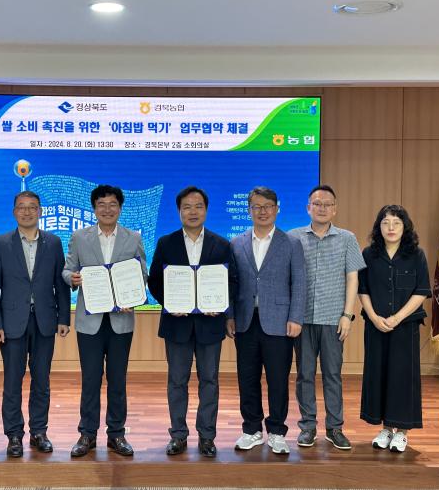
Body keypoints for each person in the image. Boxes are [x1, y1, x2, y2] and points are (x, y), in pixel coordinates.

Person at [148, 186, 237, 458]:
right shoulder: (166, 243)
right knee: (177, 381)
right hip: (177, 325)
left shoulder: (222, 244)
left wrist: (220, 305)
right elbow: (155, 281)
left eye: (198, 206)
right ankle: (178, 435)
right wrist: (170, 303)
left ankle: (207, 437)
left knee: (210, 381)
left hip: (210, 324)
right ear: (179, 211)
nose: (193, 212)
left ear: (206, 210)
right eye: (187, 207)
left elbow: (232, 281)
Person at [62, 184, 147, 457]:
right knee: (90, 379)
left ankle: (116, 434)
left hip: (122, 321)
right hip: (90, 321)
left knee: (117, 380)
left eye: (112, 204)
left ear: (120, 208)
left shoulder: (133, 237)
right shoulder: (79, 237)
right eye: (102, 204)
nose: (107, 209)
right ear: (94, 208)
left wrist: (133, 294)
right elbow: (67, 269)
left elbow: (142, 273)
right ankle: (87, 434)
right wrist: (72, 279)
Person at [0, 191, 70, 458]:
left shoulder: (53, 242)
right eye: (21, 207)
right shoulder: (0, 243)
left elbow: (60, 284)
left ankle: (39, 432)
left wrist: (64, 318)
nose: (27, 211)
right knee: (12, 381)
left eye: (32, 207)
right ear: (14, 212)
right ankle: (13, 435)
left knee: (41, 380)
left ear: (40, 211)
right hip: (11, 323)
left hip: (45, 321)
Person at [228, 186, 306, 455]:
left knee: (278, 379)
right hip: (245, 321)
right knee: (247, 378)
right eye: (257, 207)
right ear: (249, 210)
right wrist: (230, 315)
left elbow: (299, 283)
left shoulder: (291, 243)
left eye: (268, 206)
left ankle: (277, 431)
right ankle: (251, 429)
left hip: (280, 322)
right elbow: (232, 283)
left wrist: (296, 317)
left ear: (277, 209)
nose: (262, 211)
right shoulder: (236, 243)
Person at [288, 185, 365, 450]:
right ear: (308, 207)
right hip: (302, 319)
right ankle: (307, 427)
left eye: (327, 204)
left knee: (333, 375)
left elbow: (352, 278)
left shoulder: (347, 238)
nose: (322, 208)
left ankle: (335, 428)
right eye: (317, 203)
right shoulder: (293, 237)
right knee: (305, 375)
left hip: (334, 319)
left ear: (335, 209)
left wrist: (347, 315)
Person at [358, 205, 431, 453]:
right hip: (375, 325)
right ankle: (386, 428)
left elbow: (422, 291)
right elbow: (363, 289)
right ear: (378, 227)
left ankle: (402, 432)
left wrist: (397, 318)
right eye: (386, 222)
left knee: (402, 378)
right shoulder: (369, 254)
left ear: (404, 227)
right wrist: (373, 316)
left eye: (396, 223)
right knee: (378, 375)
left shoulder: (416, 255)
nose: (391, 227)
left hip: (405, 327)